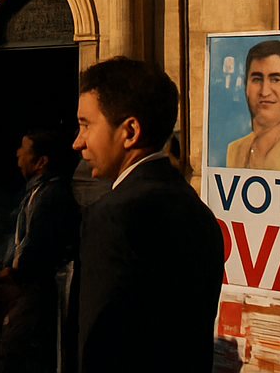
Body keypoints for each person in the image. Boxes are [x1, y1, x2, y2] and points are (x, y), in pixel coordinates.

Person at [70, 57, 223, 373]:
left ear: (130, 131)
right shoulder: (198, 211)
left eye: (86, 125)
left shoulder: (113, 217)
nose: (77, 142)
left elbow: (98, 346)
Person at [0, 128, 80, 373]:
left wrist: (11, 272)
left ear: (40, 162)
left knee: (16, 353)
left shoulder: (50, 196)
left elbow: (37, 247)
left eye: (23, 150)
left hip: (36, 290)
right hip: (29, 286)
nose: (17, 154)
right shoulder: (37, 192)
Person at [224, 39, 280, 172]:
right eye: (257, 79)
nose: (265, 91)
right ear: (246, 87)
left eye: (275, 80)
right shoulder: (234, 150)